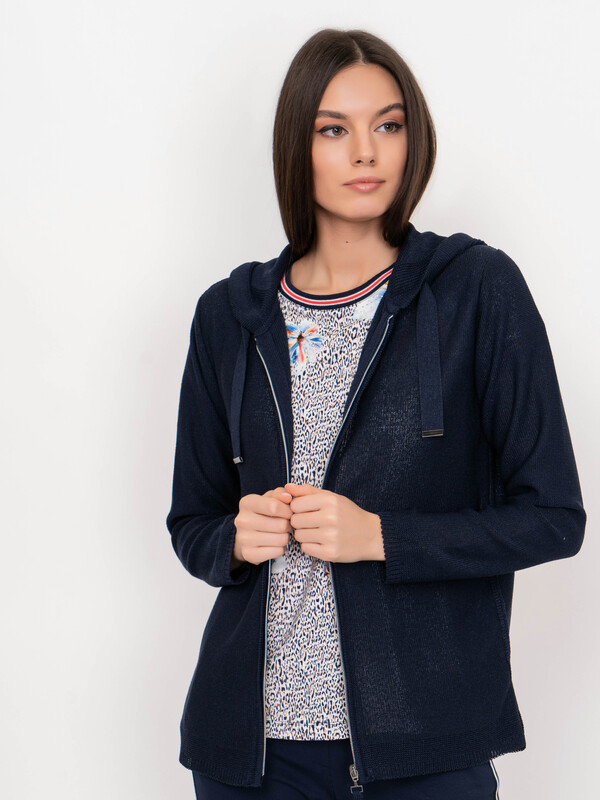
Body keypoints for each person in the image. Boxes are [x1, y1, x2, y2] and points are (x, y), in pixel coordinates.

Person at [166, 28, 586, 800]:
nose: (366, 152)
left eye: (387, 125)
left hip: (423, 749)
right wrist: (234, 539)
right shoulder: (228, 314)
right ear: (297, 147)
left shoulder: (476, 291)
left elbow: (554, 518)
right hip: (250, 755)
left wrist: (383, 538)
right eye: (334, 129)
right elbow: (192, 522)